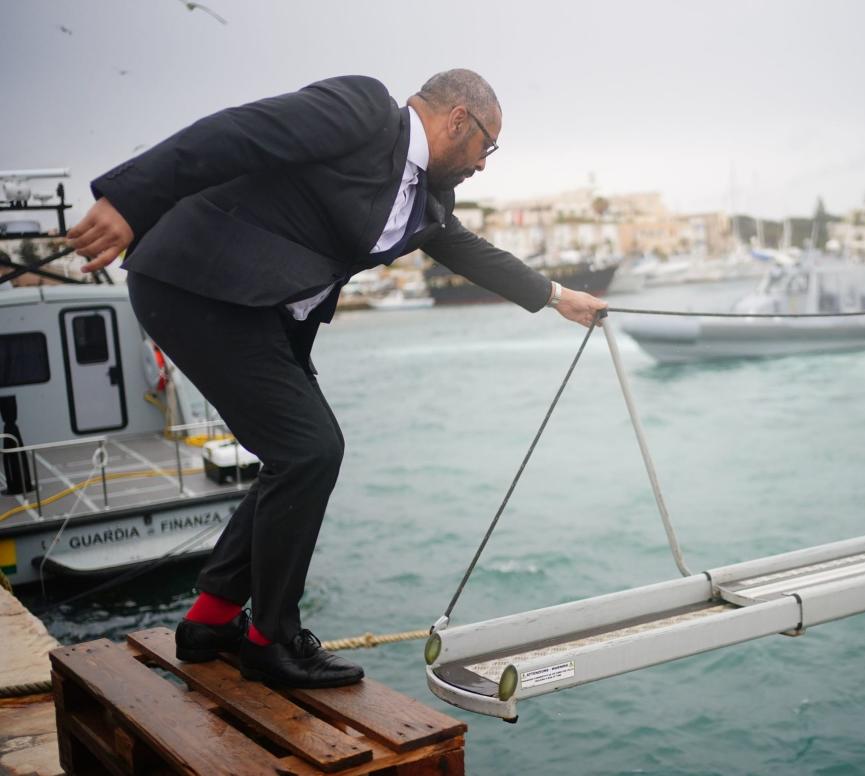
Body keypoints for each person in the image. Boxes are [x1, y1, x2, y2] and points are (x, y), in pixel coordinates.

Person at [67, 70, 607, 688]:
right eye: (487, 147)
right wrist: (129, 201)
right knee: (310, 450)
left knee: (297, 455)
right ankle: (272, 641)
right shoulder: (361, 112)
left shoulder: (427, 200)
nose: (485, 164)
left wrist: (558, 297)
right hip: (196, 284)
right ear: (459, 119)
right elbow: (235, 134)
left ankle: (210, 621)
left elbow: (466, 251)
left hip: (257, 315)